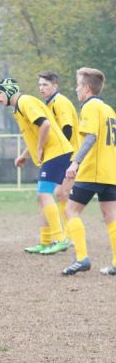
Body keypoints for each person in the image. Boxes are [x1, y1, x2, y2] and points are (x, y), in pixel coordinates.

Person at [0, 78, 73, 255]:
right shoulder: (19, 108)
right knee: (42, 197)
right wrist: (24, 155)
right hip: (53, 153)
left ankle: (60, 239)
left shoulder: (25, 101)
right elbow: (35, 133)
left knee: (44, 193)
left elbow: (45, 124)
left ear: (9, 91)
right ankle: (45, 242)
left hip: (57, 152)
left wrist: (39, 147)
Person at [61, 68, 116, 275]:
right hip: (110, 171)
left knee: (71, 211)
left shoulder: (90, 106)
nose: (76, 90)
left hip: (93, 169)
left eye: (77, 85)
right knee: (111, 216)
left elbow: (90, 137)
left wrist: (75, 162)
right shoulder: (109, 109)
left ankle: (81, 258)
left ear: (86, 88)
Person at [38, 71, 80, 234]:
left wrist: (60, 154)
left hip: (70, 154)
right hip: (66, 154)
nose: (41, 88)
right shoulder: (49, 104)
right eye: (40, 84)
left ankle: (69, 235)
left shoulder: (59, 102)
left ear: (55, 86)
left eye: (45, 85)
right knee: (61, 194)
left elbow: (67, 129)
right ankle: (68, 234)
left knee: (61, 193)